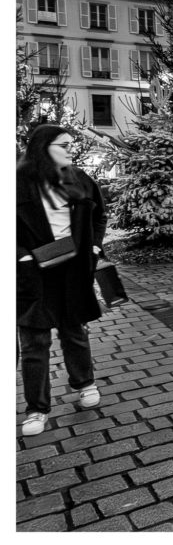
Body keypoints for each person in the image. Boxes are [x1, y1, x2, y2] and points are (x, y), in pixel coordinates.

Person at [16, 125, 107, 437]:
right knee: (34, 341)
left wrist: (94, 246)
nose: (71, 150)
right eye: (64, 145)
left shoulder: (77, 178)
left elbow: (99, 215)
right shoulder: (17, 182)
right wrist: (21, 257)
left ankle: (85, 384)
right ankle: (37, 409)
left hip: (72, 269)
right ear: (43, 148)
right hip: (33, 273)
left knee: (74, 330)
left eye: (71, 144)